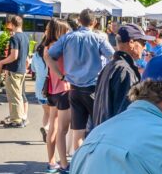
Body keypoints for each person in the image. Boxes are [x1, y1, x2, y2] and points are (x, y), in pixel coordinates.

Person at [49, 9, 115, 144]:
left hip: (73, 88)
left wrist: (61, 76)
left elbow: (50, 55)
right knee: (98, 127)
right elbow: (113, 56)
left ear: (79, 21)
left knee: (78, 132)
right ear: (95, 22)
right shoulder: (98, 38)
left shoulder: (67, 38)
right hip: (93, 88)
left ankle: (78, 162)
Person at [92, 24, 148, 129]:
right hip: (114, 136)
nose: (145, 47)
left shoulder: (111, 66)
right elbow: (125, 113)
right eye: (143, 42)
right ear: (131, 43)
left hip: (104, 133)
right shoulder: (124, 70)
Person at [41, 19, 73, 174]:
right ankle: (64, 164)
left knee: (53, 128)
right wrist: (63, 77)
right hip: (63, 89)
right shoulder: (58, 47)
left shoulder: (47, 46)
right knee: (62, 129)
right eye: (66, 30)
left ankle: (51, 161)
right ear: (59, 30)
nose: (68, 33)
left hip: (52, 90)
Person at [0, 15, 31, 128]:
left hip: (14, 70)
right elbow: (27, 57)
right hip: (22, 69)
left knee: (14, 96)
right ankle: (21, 117)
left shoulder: (14, 38)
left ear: (12, 24)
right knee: (19, 95)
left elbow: (14, 56)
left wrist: (1, 63)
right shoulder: (25, 37)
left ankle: (16, 120)